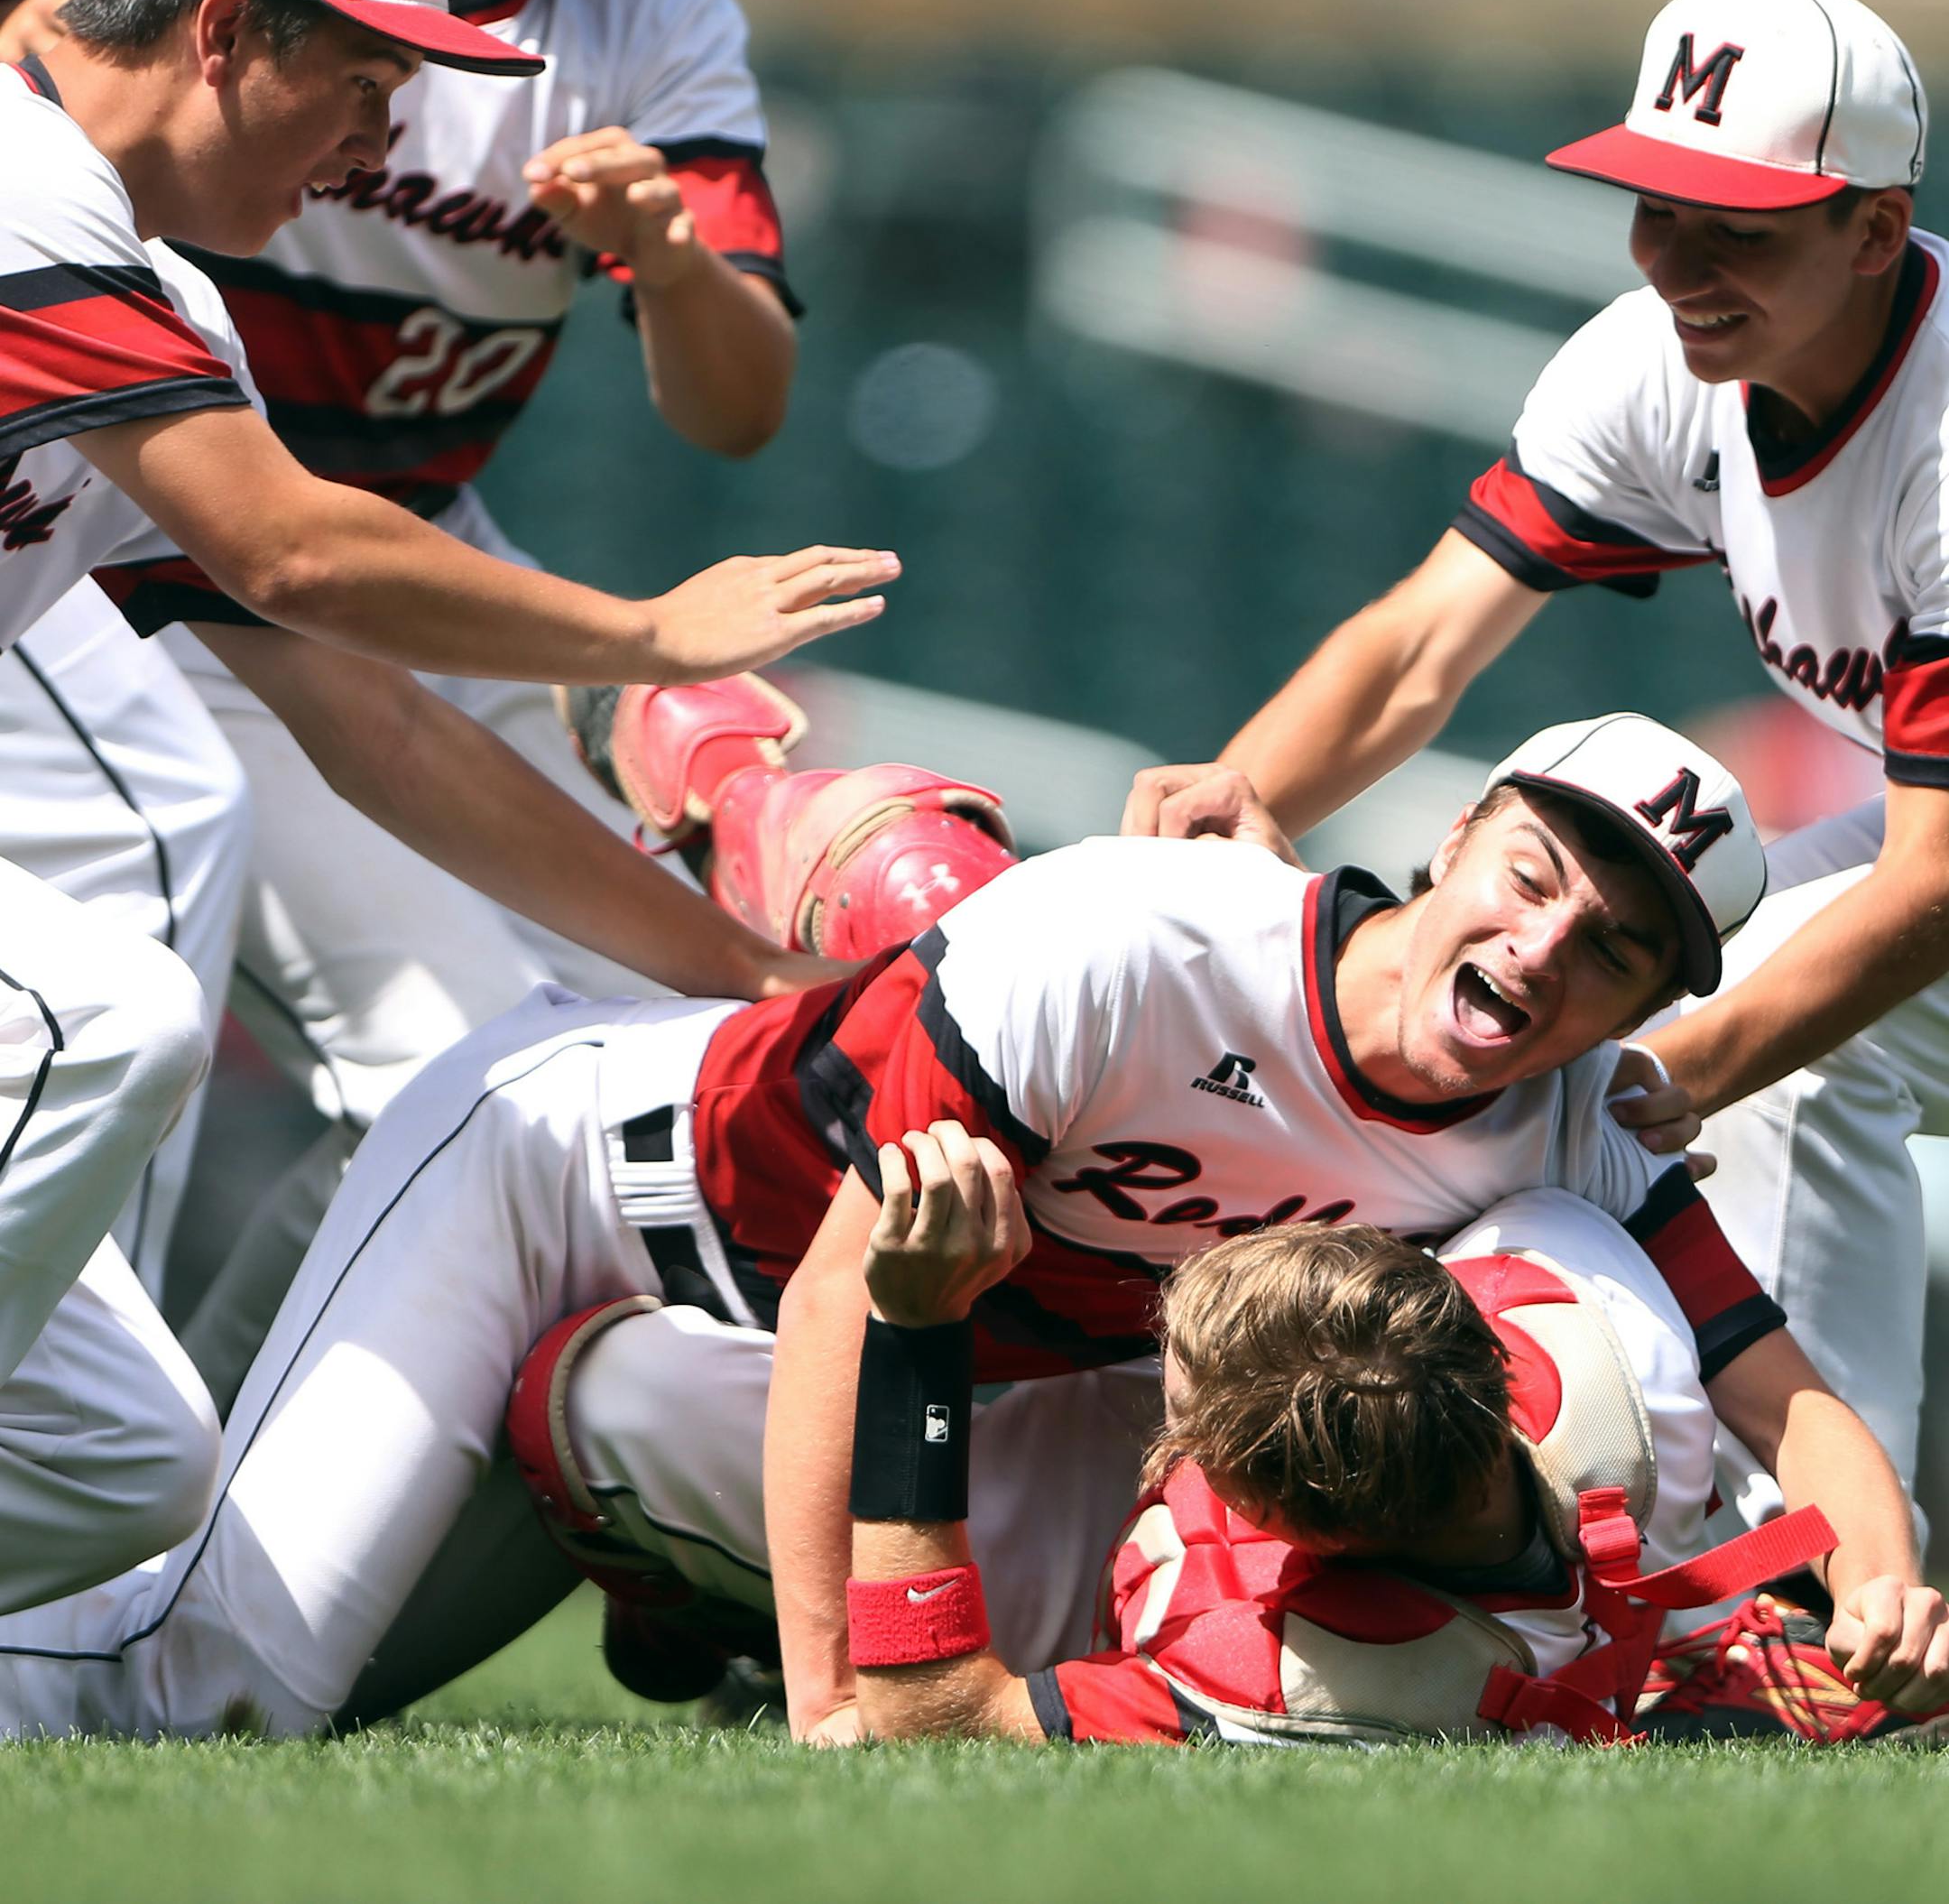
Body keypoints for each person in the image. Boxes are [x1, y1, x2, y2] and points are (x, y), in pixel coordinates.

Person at [0, 710, 1926, 1742]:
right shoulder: (1147, 940)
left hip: (941, 1361)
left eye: (1613, 948)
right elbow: (862, 1278)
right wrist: (846, 1701)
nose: (1546, 948)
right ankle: (778, 793)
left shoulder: (1573, 1115)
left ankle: (683, 1584)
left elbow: (1785, 1398)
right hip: (579, 1180)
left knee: (1078, 1626)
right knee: (211, 1684)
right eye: (1533, 877)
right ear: (1454, 840)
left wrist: (1887, 1581)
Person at [0, 0, 883, 1616]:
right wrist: (646, 634)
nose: (383, 140)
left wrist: (751, 972)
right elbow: (298, 553)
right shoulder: (22, 187)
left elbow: (373, 711)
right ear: (222, 33)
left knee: (126, 1455)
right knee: (107, 1005)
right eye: (361, 78)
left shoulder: (156, 294)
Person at [1122, 0, 1949, 1564]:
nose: (1682, 263)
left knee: (1773, 1026)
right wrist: (1246, 799)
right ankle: (1818, 1573)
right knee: (1775, 1017)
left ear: (1873, 227)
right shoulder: (1662, 361)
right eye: (1662, 204)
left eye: (1742, 227)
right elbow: (1426, 639)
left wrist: (1681, 1077)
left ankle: (1819, 1572)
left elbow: (1932, 883)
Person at [836, 1160, 1948, 1746]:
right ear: (1467, 1321)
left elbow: (928, 1715)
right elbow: (1795, 1406)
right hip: (1656, 1621)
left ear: (1285, 1532)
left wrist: (915, 1346)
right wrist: (1882, 1584)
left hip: (1045, 1547)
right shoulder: (1587, 1300)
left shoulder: (1260, 1678)